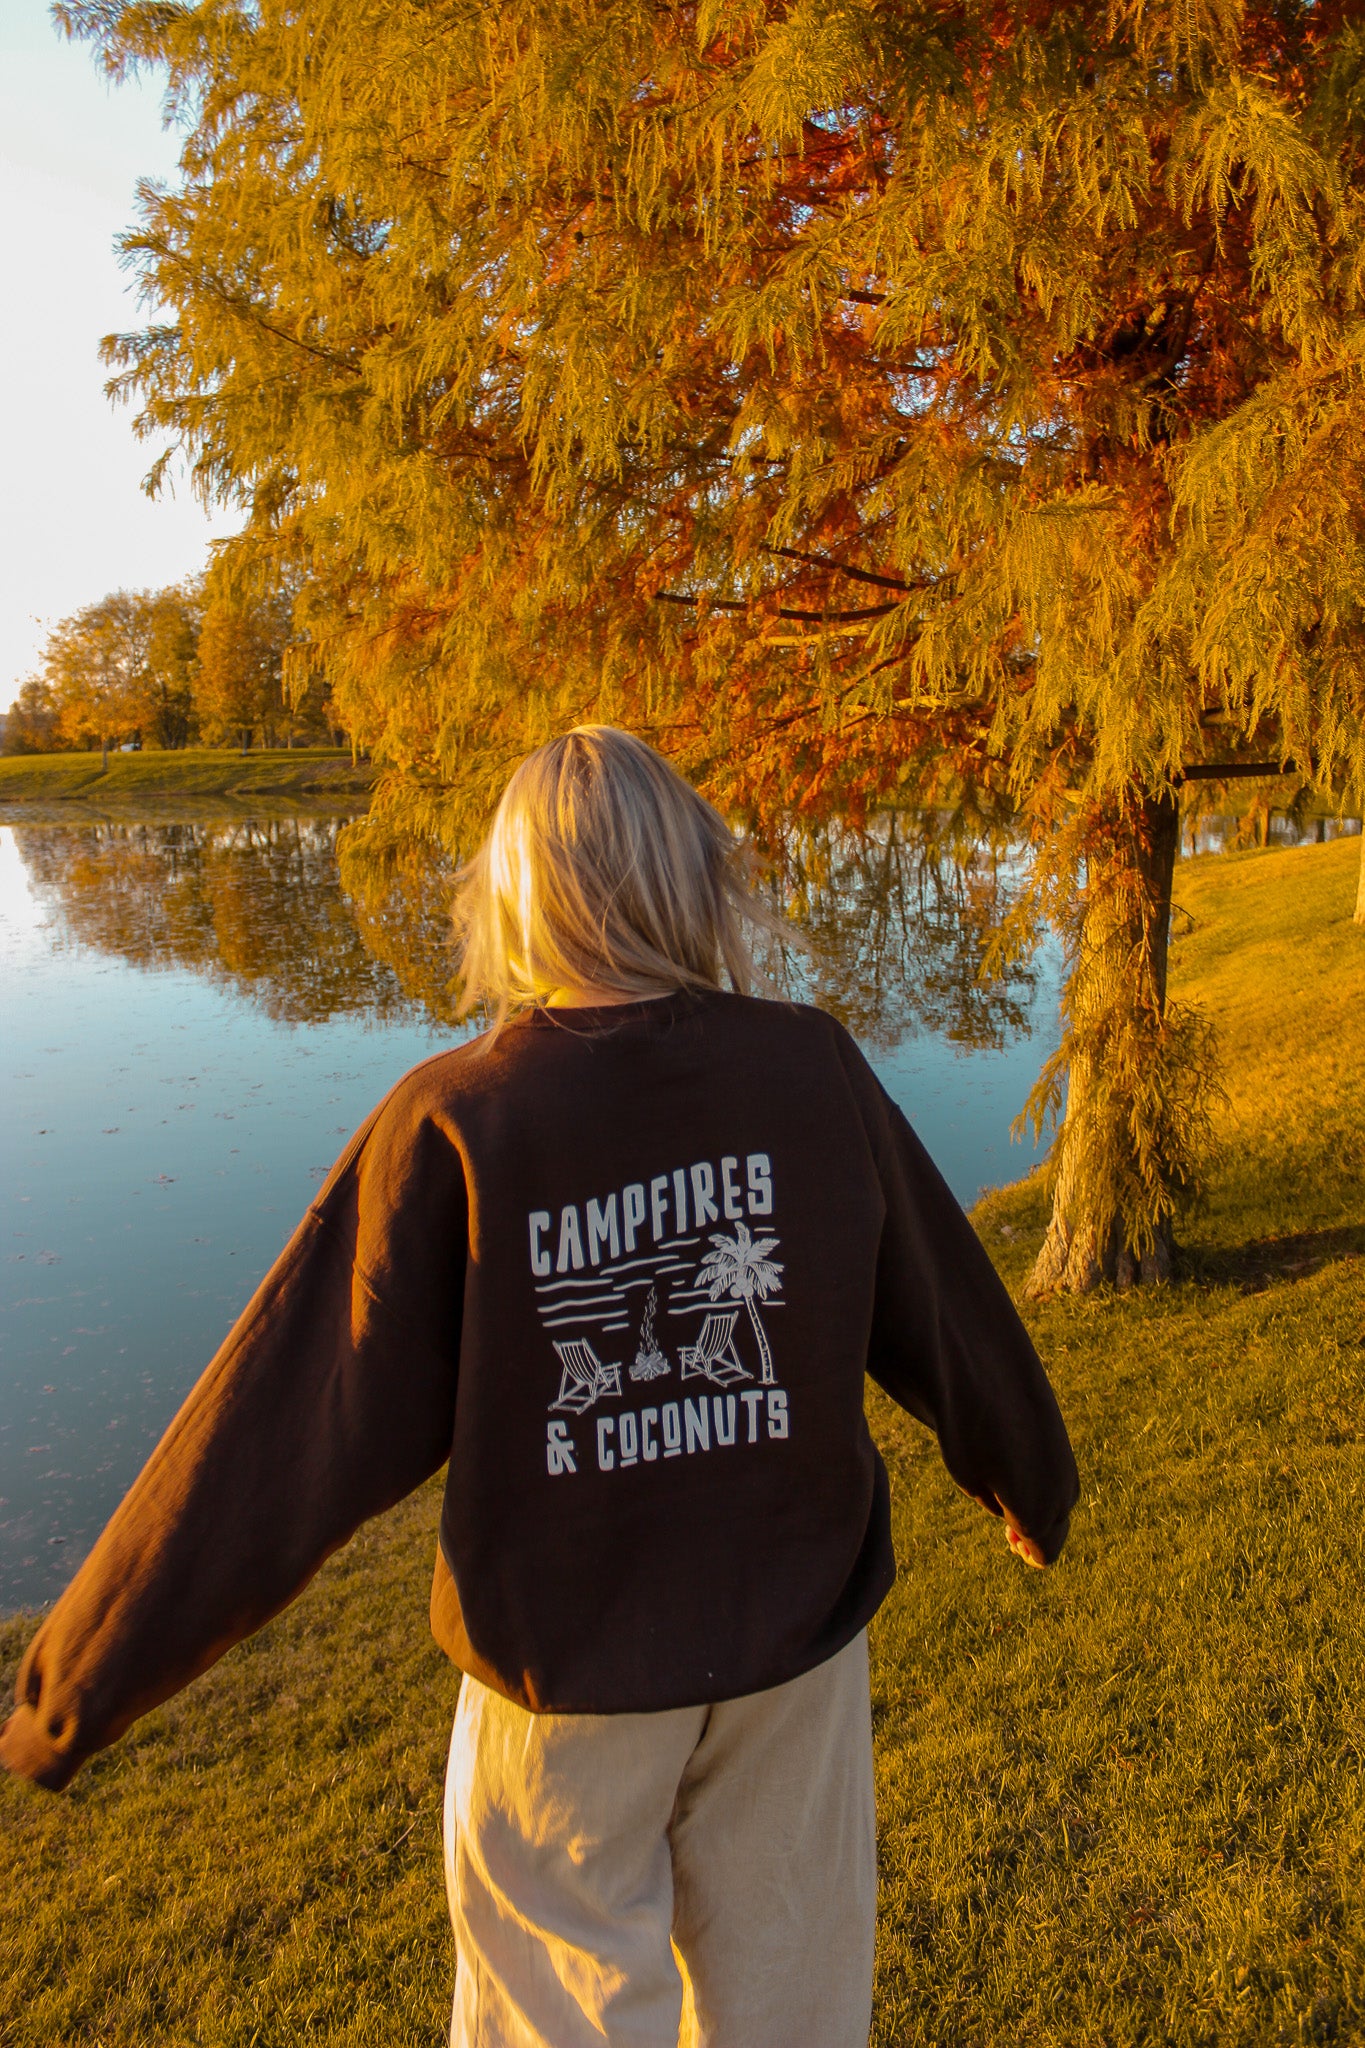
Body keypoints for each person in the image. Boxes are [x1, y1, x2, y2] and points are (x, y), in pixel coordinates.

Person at [0, 727, 1078, 2048]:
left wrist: (70, 1689)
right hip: (789, 1671)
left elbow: (280, 1425)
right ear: (697, 877)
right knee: (790, 2016)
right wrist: (1027, 1480)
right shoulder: (807, 1068)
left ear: (513, 897)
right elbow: (946, 1304)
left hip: (564, 1693)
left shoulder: (462, 1113)